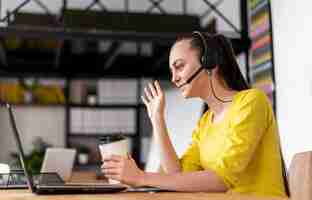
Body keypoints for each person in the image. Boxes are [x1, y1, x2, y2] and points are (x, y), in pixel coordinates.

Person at [101, 31, 288, 197]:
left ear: (209, 63)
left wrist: (141, 177)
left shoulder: (251, 102)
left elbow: (221, 180)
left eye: (179, 66)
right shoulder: (206, 122)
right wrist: (157, 118)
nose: (174, 78)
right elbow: (178, 175)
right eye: (172, 71)